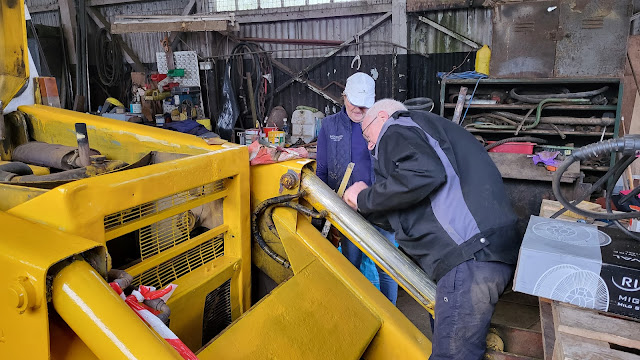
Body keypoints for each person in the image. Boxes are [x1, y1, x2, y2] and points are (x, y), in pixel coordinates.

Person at [343, 99, 520, 360]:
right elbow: (407, 204)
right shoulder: (433, 133)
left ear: (382, 116)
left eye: (368, 136)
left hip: (469, 256)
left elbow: (424, 174)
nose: (370, 147)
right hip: (484, 253)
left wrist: (364, 198)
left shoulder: (397, 125)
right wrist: (366, 208)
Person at [316, 73, 399, 304]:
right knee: (351, 263)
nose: (359, 109)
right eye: (354, 102)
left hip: (381, 206)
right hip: (348, 209)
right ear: (344, 97)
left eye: (365, 106)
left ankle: (390, 314)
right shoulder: (329, 125)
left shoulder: (383, 125)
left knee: (388, 268)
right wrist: (322, 207)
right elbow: (321, 169)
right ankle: (354, 311)